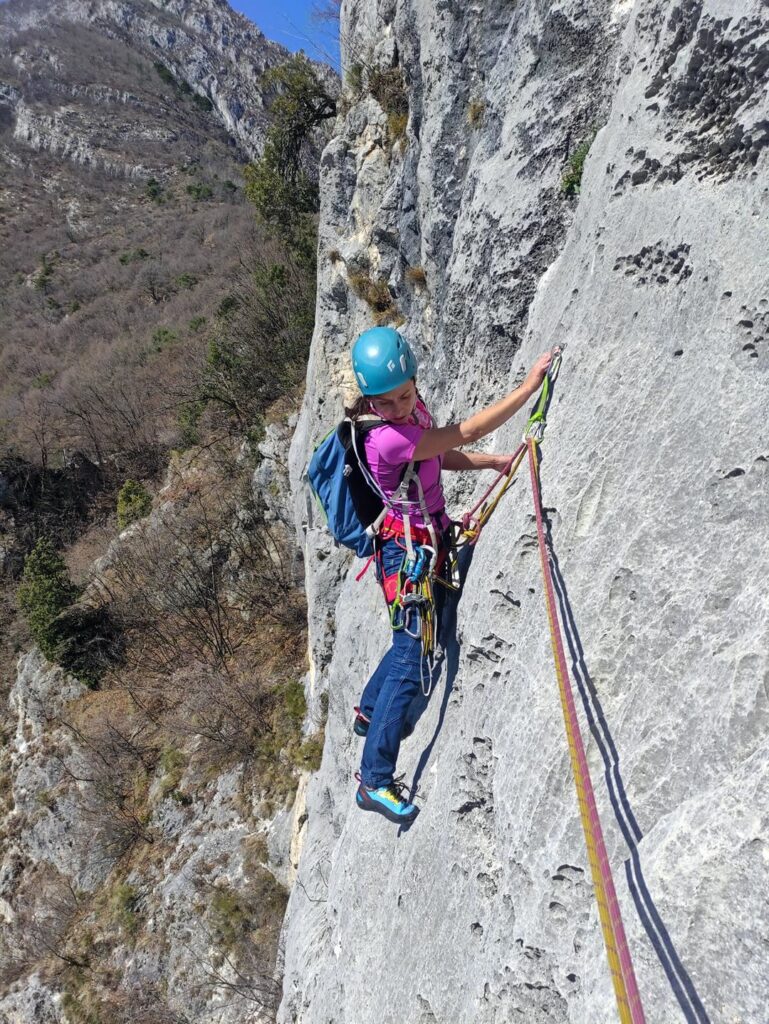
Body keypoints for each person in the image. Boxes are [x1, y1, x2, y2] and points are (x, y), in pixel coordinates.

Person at [348, 326, 552, 824]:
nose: (398, 406)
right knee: (412, 656)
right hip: (406, 551)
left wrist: (491, 463)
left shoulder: (410, 418)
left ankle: (370, 711)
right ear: (369, 402)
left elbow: (437, 452)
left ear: (414, 381)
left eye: (404, 394)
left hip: (422, 537)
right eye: (386, 401)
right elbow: (461, 433)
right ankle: (373, 782)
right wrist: (527, 391)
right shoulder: (388, 436)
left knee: (408, 642)